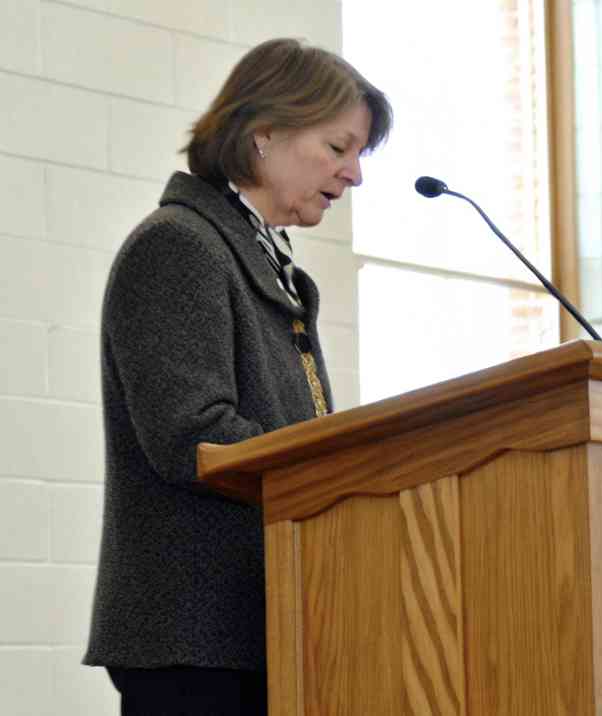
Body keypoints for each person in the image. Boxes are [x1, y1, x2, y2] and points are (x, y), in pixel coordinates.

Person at [82, 38, 391, 715]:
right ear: (264, 134)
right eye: (338, 148)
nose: (354, 175)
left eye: (360, 154)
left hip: (263, 623)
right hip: (196, 638)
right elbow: (192, 437)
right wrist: (337, 476)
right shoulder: (180, 245)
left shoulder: (260, 259)